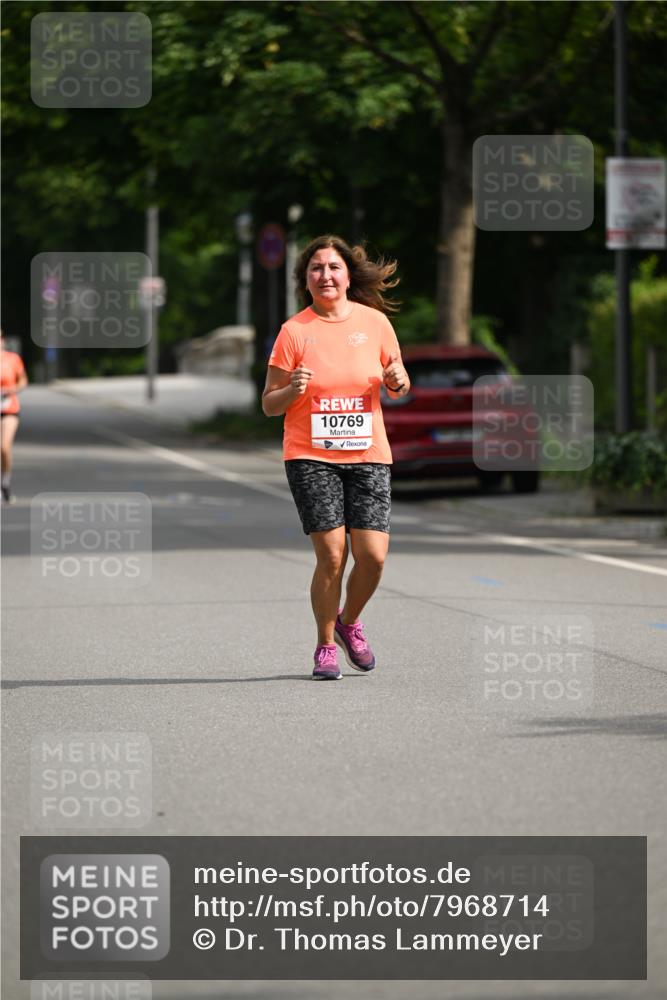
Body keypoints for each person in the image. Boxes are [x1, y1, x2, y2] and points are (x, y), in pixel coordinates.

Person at [262, 235, 410, 680]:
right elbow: (270, 404)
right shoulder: (295, 332)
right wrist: (293, 390)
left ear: (347, 276)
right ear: (305, 280)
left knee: (373, 556)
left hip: (368, 454)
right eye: (316, 269)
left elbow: (399, 385)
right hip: (311, 455)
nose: (325, 275)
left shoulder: (376, 323)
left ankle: (349, 622)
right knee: (331, 555)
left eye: (333, 267)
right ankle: (325, 645)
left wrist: (399, 380)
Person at [1, 330, 28, 504]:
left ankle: (5, 482)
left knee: (4, 446)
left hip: (9, 406)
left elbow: (23, 380)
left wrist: (13, 390)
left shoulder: (12, 359)